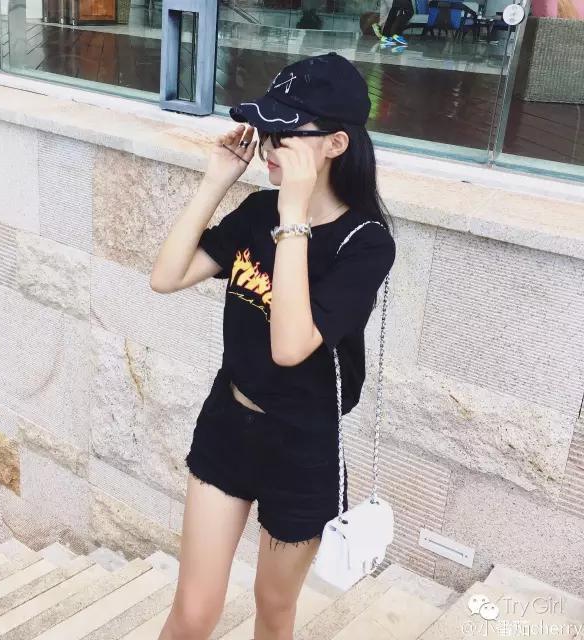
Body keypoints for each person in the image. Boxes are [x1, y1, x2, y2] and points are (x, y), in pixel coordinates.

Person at [150, 51, 396, 640]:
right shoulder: (259, 209)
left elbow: (291, 347)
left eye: (286, 134)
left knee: (273, 610)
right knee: (193, 612)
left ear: (335, 144)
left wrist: (294, 216)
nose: (269, 146)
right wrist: (216, 180)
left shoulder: (366, 244)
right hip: (229, 423)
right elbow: (166, 276)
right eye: (267, 130)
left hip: (303, 446)